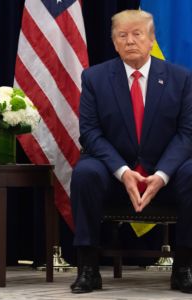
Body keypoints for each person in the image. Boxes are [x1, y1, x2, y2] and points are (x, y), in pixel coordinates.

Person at [70, 10, 192, 294]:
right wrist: (123, 172)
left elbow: (187, 134)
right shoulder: (94, 78)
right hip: (112, 174)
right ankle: (88, 268)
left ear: (151, 40)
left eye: (137, 34)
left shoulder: (181, 78)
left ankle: (184, 267)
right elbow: (90, 133)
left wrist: (161, 175)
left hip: (166, 176)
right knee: (85, 173)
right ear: (114, 43)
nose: (130, 41)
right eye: (122, 35)